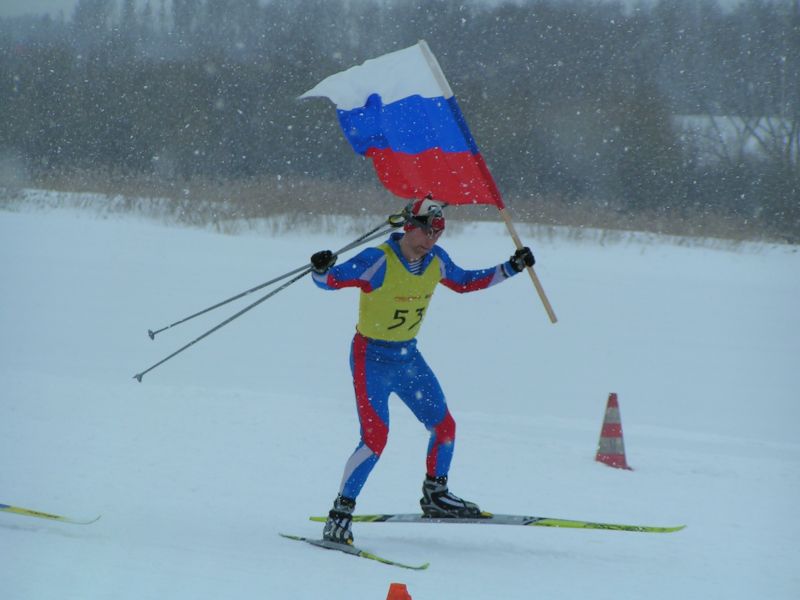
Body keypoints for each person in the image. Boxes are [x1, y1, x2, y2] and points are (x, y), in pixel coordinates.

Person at [309, 197, 535, 545]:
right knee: (374, 440)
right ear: (408, 226)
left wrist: (511, 267)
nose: (431, 240)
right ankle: (340, 513)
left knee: (444, 426)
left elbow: (464, 282)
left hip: (408, 358)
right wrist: (321, 269)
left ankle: (436, 494)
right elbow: (330, 282)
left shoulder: (436, 261)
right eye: (427, 231)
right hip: (372, 358)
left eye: (438, 233)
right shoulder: (377, 261)